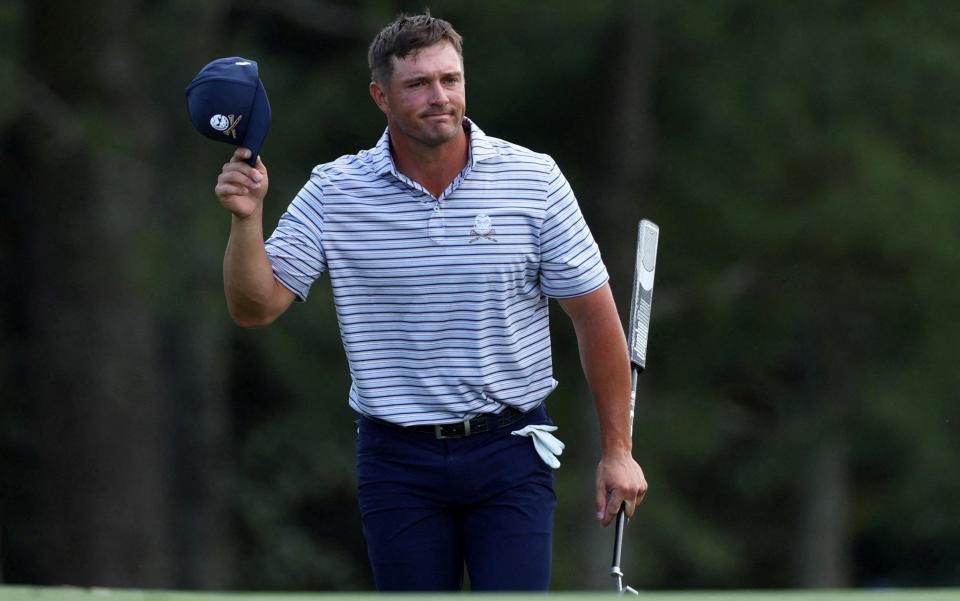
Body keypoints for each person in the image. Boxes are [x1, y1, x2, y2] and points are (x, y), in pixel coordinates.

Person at [214, 12, 647, 592]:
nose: (439, 97)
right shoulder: (335, 191)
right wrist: (247, 223)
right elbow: (255, 307)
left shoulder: (533, 179)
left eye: (450, 79)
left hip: (511, 450)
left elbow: (594, 318)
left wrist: (618, 451)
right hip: (397, 459)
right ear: (381, 96)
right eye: (418, 84)